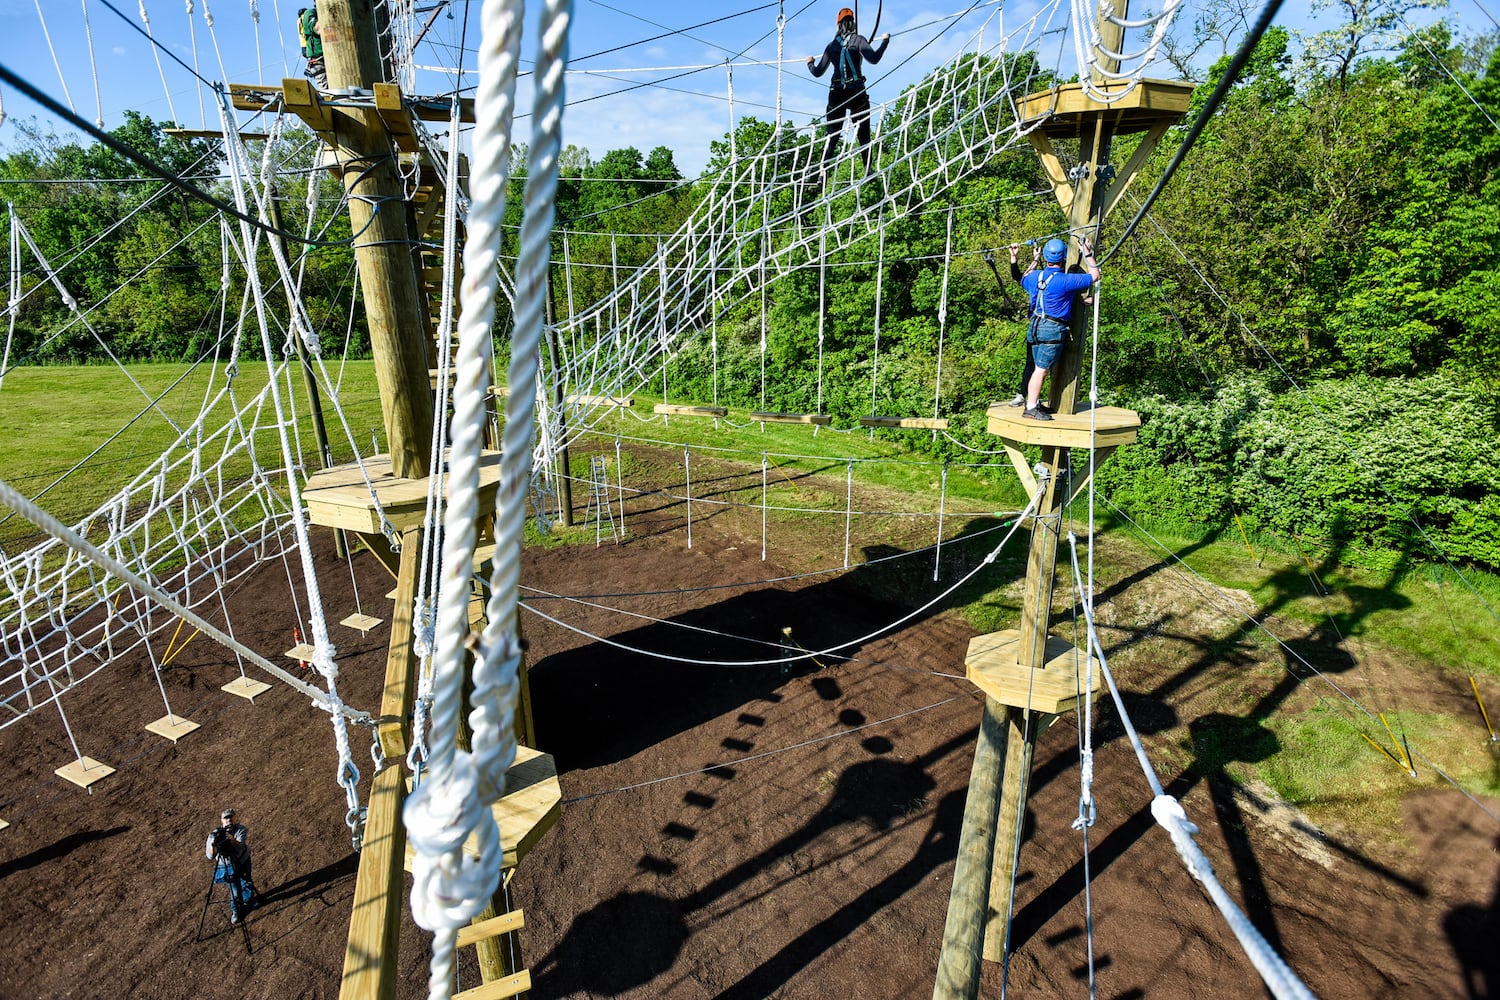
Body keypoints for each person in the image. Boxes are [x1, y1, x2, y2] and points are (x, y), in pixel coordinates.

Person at [1015, 236, 1099, 421]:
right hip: (1052, 329)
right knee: (1041, 370)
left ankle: (1033, 403)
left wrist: (1034, 260)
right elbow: (1095, 275)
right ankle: (1030, 407)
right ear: (1063, 259)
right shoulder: (1065, 280)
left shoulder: (1036, 277)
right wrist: (1087, 253)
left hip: (1035, 326)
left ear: (1046, 258)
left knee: (1038, 367)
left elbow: (1024, 278)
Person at [806, 8, 891, 183]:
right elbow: (874, 58)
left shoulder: (831, 46)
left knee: (833, 135)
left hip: (836, 93)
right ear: (852, 23)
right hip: (856, 91)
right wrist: (885, 41)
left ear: (838, 25)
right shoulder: (858, 40)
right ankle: (868, 170)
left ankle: (823, 172)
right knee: (863, 133)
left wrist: (810, 63)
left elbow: (818, 72)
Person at [205, 808, 257, 924]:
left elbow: (239, 848)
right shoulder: (214, 835)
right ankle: (236, 911)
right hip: (227, 865)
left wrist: (231, 839)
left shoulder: (241, 829)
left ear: (235, 818)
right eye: (225, 818)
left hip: (242, 859)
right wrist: (214, 845)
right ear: (221, 820)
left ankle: (249, 901)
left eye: (230, 817)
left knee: (246, 881)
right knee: (234, 891)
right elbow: (210, 856)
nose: (228, 820)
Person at [297, 8, 328, 90]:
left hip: (323, 58)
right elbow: (317, 28)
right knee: (328, 93)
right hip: (318, 60)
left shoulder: (309, 15)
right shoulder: (310, 13)